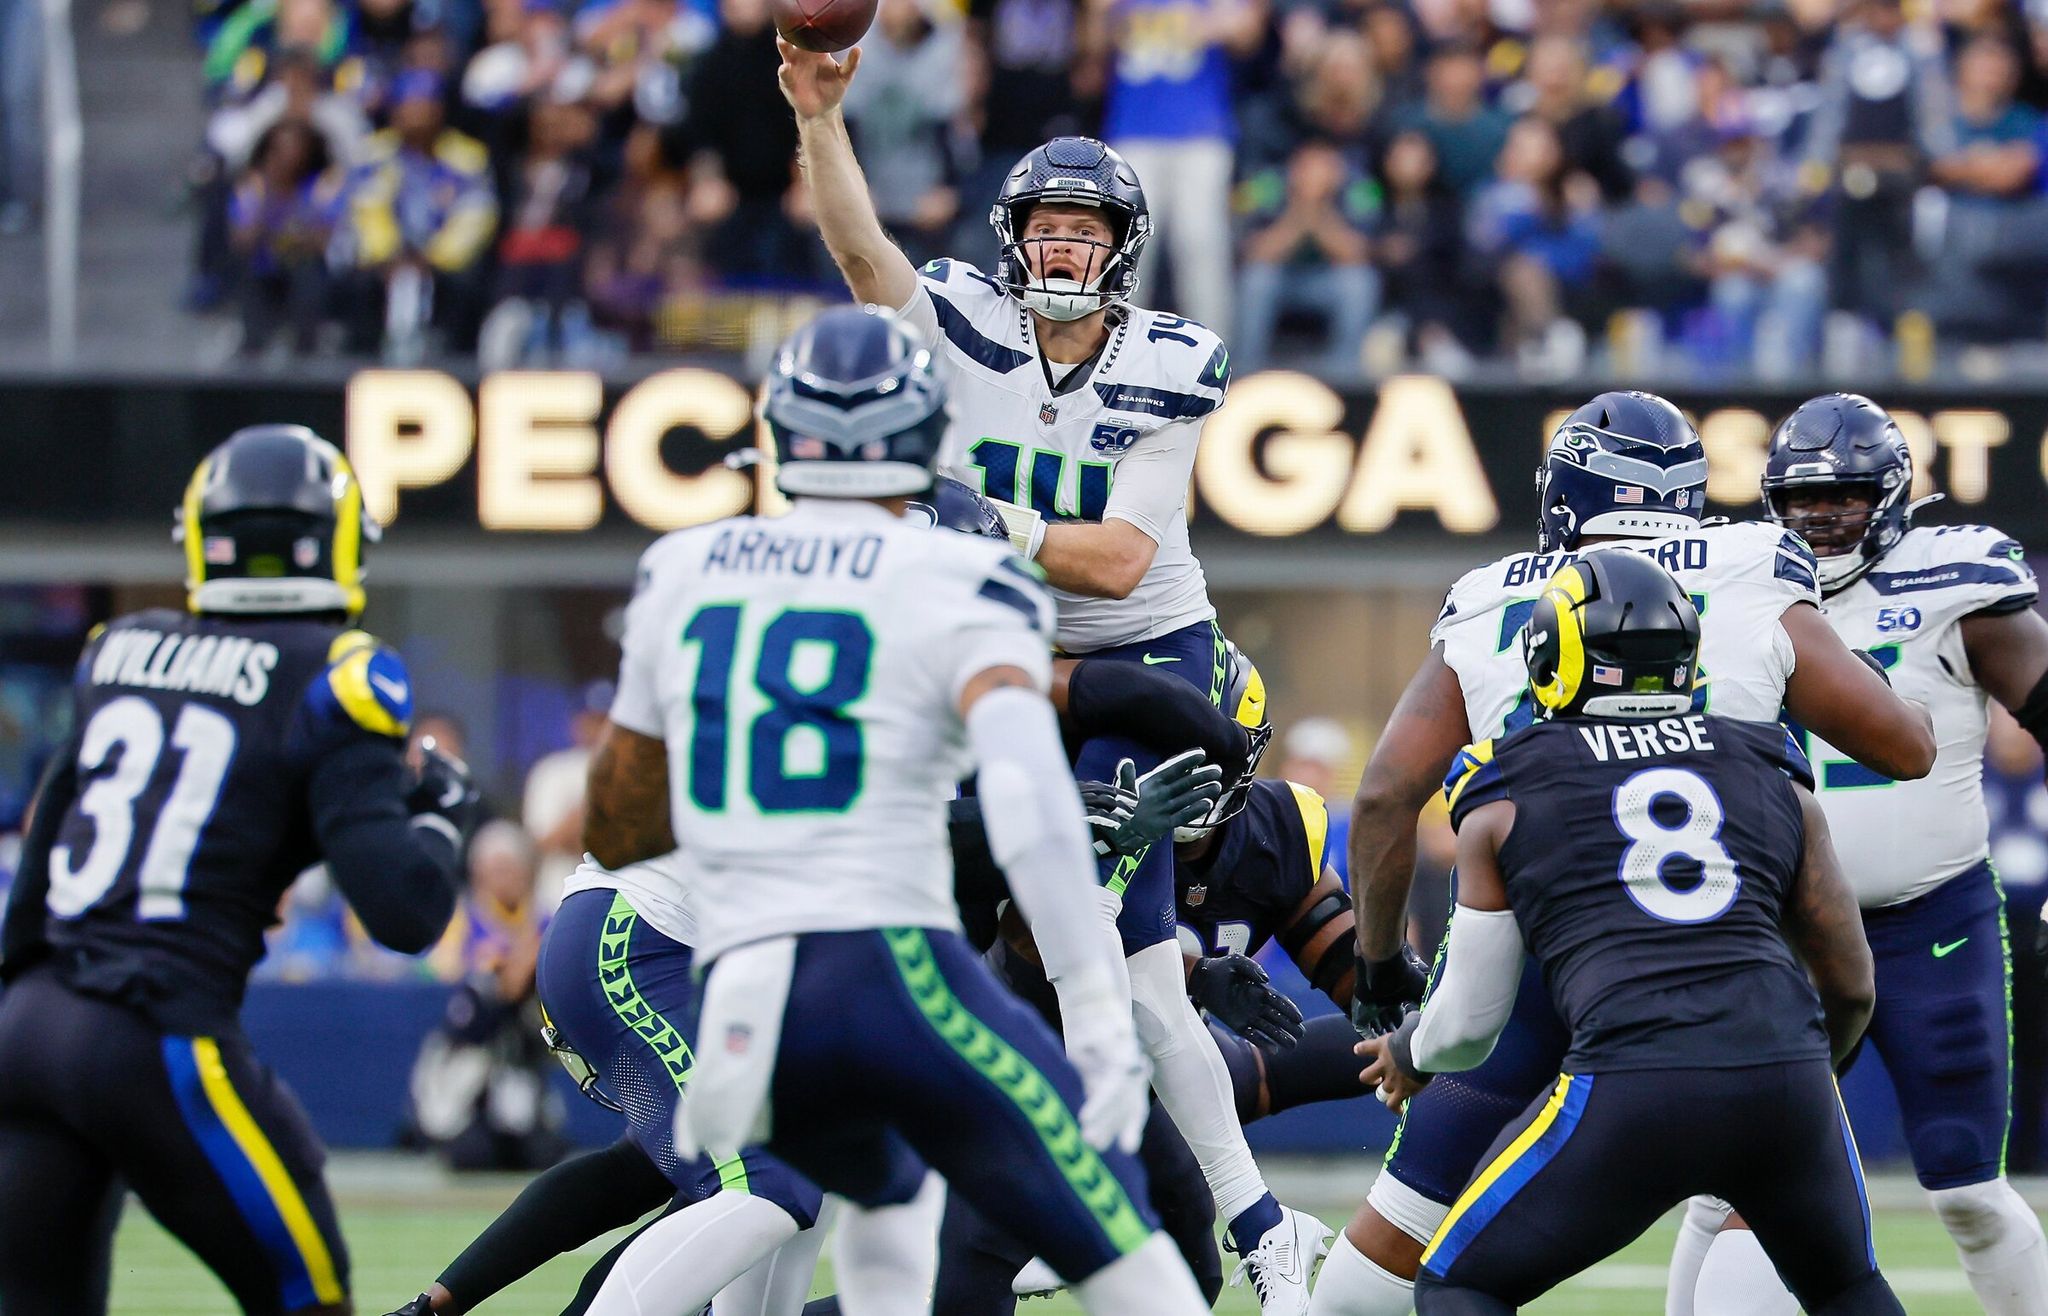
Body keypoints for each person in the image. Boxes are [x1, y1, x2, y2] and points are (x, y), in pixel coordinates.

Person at [782, 40, 1328, 1305]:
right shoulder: (966, 321)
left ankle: (1105, 1206)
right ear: (1012, 237)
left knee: (1094, 942)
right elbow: (862, 256)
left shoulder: (1168, 363)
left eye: (1085, 231)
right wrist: (819, 117)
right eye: (1045, 227)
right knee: (1128, 974)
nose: (1063, 249)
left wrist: (989, 520)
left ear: (1119, 249)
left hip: (1144, 659)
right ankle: (1250, 1226)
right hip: (1009, 658)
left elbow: (1119, 559)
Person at [580, 302, 1208, 1312]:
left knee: (847, 1219)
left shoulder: (685, 567)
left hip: (741, 982)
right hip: (886, 970)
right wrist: (1095, 1020)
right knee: (1124, 1245)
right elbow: (1030, 808)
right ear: (921, 433)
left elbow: (615, 822)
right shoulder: (966, 572)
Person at [1311, 389, 1937, 1316]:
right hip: (1731, 951)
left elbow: (1385, 795)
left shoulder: (1492, 596)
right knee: (1803, 1233)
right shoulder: (1751, 564)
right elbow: (1904, 751)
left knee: (1419, 1212)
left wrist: (1377, 971)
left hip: (1540, 931)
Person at [0, 424, 475, 1315]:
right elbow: (405, 913)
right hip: (153, 1033)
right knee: (310, 1297)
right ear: (338, 542)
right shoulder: (335, 675)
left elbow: (37, 870)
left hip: (27, 1028)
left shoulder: (119, 649)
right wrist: (443, 819)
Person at [1672, 394, 2048, 1315]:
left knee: (1968, 1189)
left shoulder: (1955, 581)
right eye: (1803, 497)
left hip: (1934, 919)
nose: (1822, 515)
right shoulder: (1740, 576)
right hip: (1782, 927)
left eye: (1844, 494)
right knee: (1723, 1180)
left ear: (1891, 494)